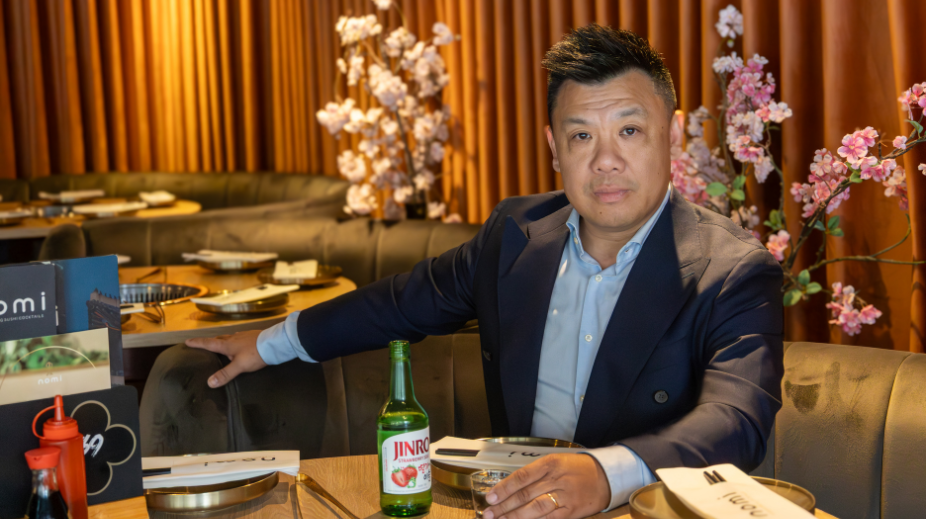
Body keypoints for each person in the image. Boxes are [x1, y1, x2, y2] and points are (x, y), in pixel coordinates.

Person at [187, 24, 783, 518]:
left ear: (672, 135)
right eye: (581, 135)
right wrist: (271, 342)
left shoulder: (732, 269)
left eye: (630, 130)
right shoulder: (516, 236)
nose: (606, 160)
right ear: (554, 147)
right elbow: (402, 302)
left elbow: (735, 421)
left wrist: (606, 474)